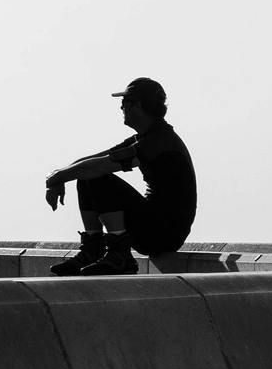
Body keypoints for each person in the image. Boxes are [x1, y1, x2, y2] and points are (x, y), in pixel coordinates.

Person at [44, 77, 198, 276]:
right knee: (86, 174)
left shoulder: (158, 141)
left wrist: (57, 179)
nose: (121, 108)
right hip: (155, 227)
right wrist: (58, 177)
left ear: (137, 105)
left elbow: (100, 166)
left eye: (124, 103)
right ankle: (93, 249)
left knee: (96, 175)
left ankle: (120, 254)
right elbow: (95, 159)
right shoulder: (146, 137)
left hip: (164, 234)